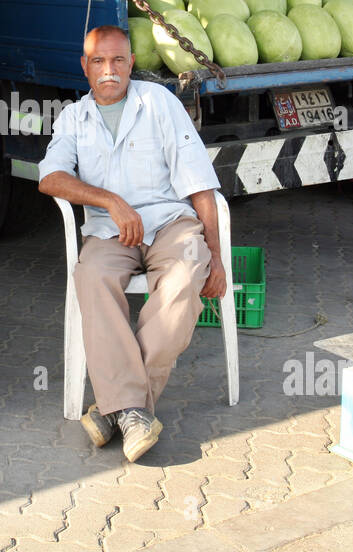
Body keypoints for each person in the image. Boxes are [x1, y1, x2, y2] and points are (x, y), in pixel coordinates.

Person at [38, 25, 226, 462]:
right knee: (90, 277)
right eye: (98, 62)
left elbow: (199, 180)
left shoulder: (158, 102)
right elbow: (51, 178)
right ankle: (134, 411)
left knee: (184, 281)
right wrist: (110, 201)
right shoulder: (73, 117)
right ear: (84, 67)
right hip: (109, 230)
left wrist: (216, 255)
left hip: (169, 224)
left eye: (118, 60)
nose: (109, 70)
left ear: (131, 63)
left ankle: (117, 407)